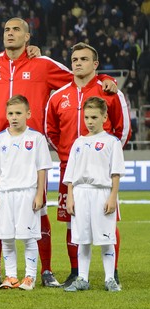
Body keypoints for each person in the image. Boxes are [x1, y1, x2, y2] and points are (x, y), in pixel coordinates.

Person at [0, 18, 118, 288]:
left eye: (16, 30)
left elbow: (79, 75)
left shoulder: (43, 65)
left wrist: (106, 79)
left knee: (38, 207)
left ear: (28, 37)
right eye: (6, 29)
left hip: (31, 152)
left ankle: (45, 270)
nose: (10, 34)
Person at [45, 42, 131, 289]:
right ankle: (76, 273)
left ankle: (111, 273)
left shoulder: (110, 92)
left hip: (101, 174)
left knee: (108, 220)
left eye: (84, 59)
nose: (78, 63)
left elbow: (122, 130)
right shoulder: (58, 96)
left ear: (95, 64)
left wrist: (106, 157)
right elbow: (50, 130)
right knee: (73, 222)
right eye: (74, 60)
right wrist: (67, 154)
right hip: (70, 171)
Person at [0, 95, 55, 290]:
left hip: (27, 192)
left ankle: (30, 277)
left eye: (18, 113)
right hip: (6, 193)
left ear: (28, 114)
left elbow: (42, 168)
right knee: (6, 237)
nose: (14, 117)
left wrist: (39, 194)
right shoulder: (1, 138)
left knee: (28, 236)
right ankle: (11, 276)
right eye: (10, 113)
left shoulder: (36, 138)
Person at [62, 97, 125, 292]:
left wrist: (113, 196)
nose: (89, 121)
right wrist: (70, 197)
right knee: (82, 239)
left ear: (104, 117)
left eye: (94, 117)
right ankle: (82, 278)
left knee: (106, 239)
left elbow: (115, 173)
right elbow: (71, 175)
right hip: (80, 194)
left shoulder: (111, 142)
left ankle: (109, 279)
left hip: (102, 193)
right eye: (87, 117)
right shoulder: (78, 142)